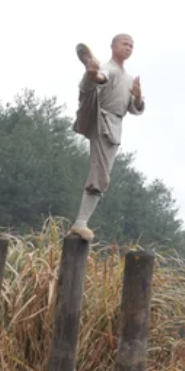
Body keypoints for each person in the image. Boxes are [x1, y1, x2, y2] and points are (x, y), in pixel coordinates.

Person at [69, 36, 145, 241]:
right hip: (102, 119)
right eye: (124, 44)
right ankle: (80, 222)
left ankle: (82, 222)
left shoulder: (128, 78)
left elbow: (135, 108)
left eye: (131, 45)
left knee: (102, 174)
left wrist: (137, 96)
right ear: (113, 46)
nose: (128, 47)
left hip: (115, 125)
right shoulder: (109, 68)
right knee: (100, 176)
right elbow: (103, 77)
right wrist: (95, 74)